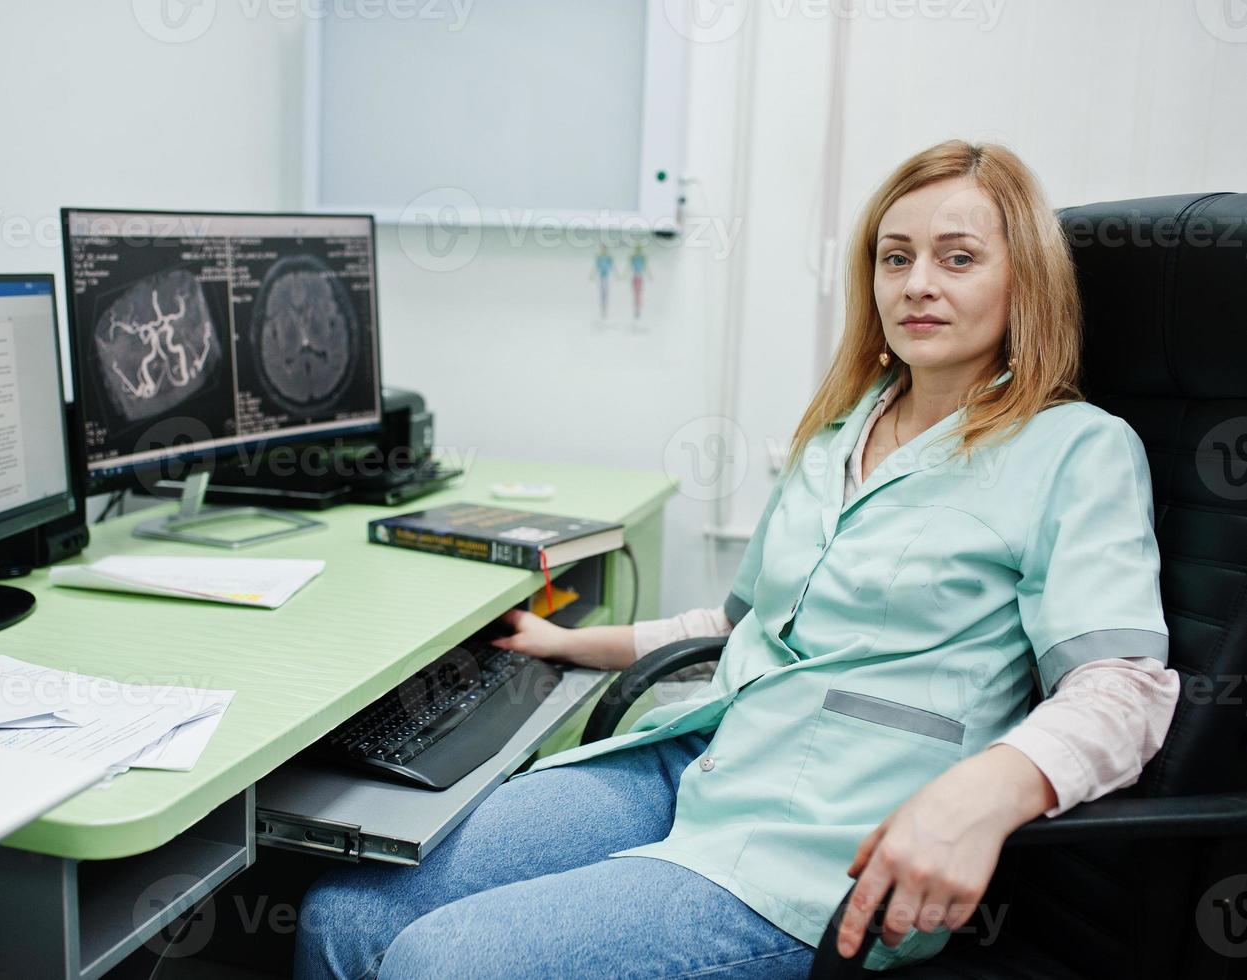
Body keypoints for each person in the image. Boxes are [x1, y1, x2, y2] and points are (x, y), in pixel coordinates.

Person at [293, 140, 1179, 979]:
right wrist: (570, 644)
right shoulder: (839, 433)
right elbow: (737, 626)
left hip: (829, 843)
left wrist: (987, 791)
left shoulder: (1073, 450)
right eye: (894, 256)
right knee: (344, 912)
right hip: (701, 759)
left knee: (437, 961)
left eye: (956, 258)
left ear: (1022, 281)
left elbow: (1123, 688)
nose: (916, 284)